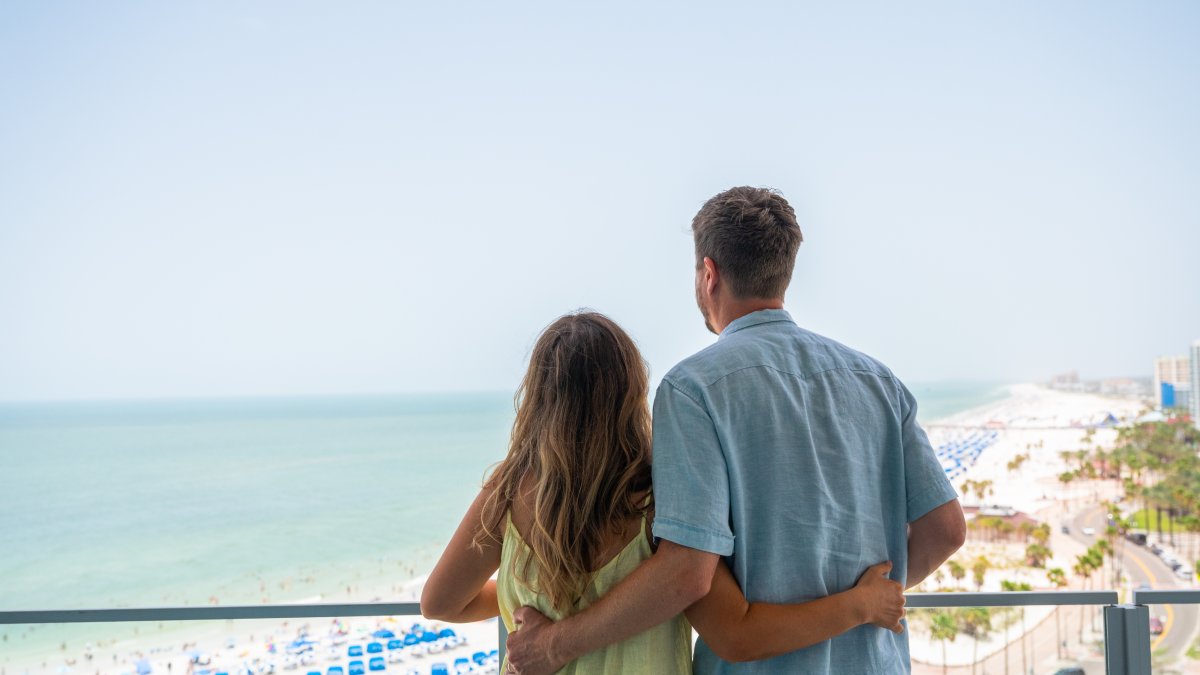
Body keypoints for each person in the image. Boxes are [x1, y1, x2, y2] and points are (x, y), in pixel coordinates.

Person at [504, 187, 966, 674]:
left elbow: (687, 576)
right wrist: (869, 597)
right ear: (783, 272)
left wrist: (555, 644)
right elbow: (947, 530)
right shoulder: (878, 381)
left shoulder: (693, 389)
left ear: (709, 275)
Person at [420, 311, 907, 673]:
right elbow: (734, 629)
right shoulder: (659, 500)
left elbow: (440, 603)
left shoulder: (506, 492)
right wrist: (859, 605)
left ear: (539, 397)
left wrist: (533, 602)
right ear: (630, 392)